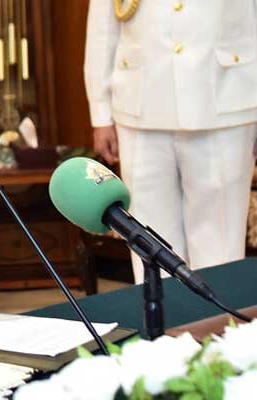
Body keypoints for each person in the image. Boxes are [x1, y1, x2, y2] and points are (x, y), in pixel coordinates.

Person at [85, 0, 257, 283]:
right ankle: (162, 326)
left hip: (226, 101)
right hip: (140, 106)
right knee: (150, 241)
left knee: (221, 243)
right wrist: (100, 113)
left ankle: (221, 325)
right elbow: (103, 28)